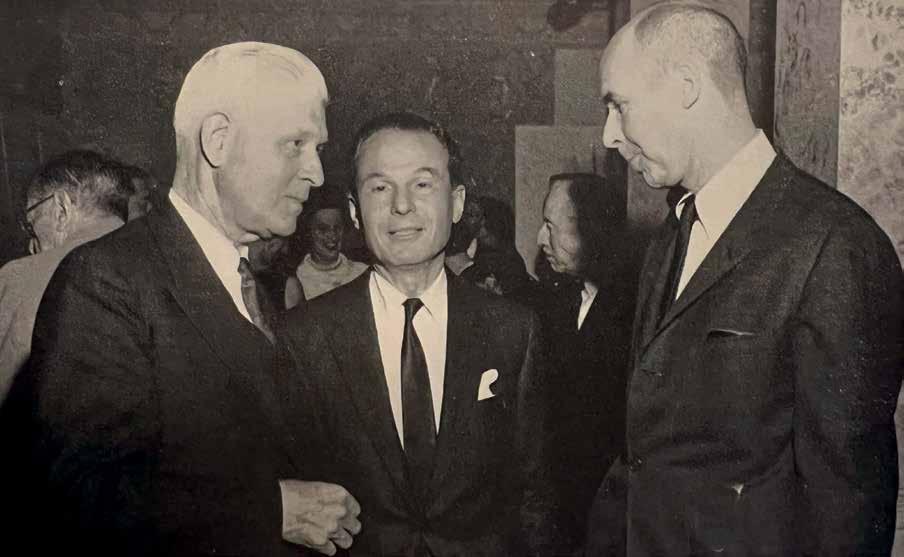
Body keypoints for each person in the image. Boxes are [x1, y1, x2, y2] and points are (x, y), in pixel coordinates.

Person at [1, 42, 360, 556]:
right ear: (218, 140)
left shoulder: (250, 285)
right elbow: (78, 495)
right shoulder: (105, 279)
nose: (317, 174)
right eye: (295, 144)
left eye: (318, 149)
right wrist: (271, 510)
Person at [586, 3, 904, 556]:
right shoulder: (670, 236)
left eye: (619, 105)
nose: (610, 135)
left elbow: (847, 510)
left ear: (686, 87)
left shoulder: (836, 246)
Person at [282, 112, 555, 556]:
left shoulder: (513, 330)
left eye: (423, 184)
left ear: (457, 203)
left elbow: (534, 495)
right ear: (354, 211)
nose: (402, 206)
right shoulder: (304, 338)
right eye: (380, 188)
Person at [535, 172, 635, 553]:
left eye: (550, 226)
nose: (540, 239)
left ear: (591, 231)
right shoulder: (555, 302)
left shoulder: (636, 310)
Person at [0, 150, 129, 402]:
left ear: (61, 209)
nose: (31, 246)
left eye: (31, 225)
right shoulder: (165, 263)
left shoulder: (21, 277)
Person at [289, 188, 367, 305]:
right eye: (323, 229)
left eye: (337, 227)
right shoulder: (298, 280)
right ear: (308, 232)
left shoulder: (363, 272)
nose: (332, 236)